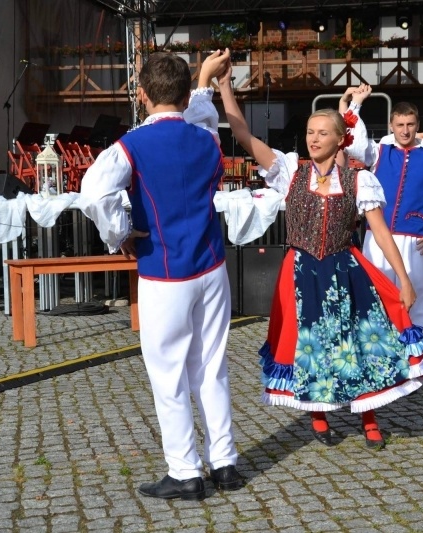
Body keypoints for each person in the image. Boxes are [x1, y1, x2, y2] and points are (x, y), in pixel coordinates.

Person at [217, 53, 423, 450]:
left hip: (343, 270)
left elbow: (381, 234)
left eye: (322, 132)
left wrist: (403, 279)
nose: (313, 138)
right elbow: (245, 136)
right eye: (310, 131)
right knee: (309, 343)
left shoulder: (359, 179)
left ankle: (368, 417)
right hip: (300, 272)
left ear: (339, 139)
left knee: (358, 342)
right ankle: (317, 416)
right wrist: (226, 89)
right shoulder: (289, 171)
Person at [80, 50, 244, 501]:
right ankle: (225, 462)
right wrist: (203, 84)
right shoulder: (207, 136)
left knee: (168, 372)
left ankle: (185, 470)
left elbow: (92, 192)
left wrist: (119, 233)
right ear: (186, 93)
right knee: (211, 366)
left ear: (142, 94)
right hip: (210, 264)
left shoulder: (131, 145)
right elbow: (202, 113)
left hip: (165, 269)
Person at [341, 85, 423, 344]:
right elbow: (351, 142)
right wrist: (356, 103)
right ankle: (378, 359)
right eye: (400, 124)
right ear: (391, 125)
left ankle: (414, 358)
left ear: (417, 124)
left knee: (417, 300)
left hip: (415, 241)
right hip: (376, 238)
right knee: (374, 297)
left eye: (410, 124)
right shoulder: (379, 153)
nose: (405, 130)